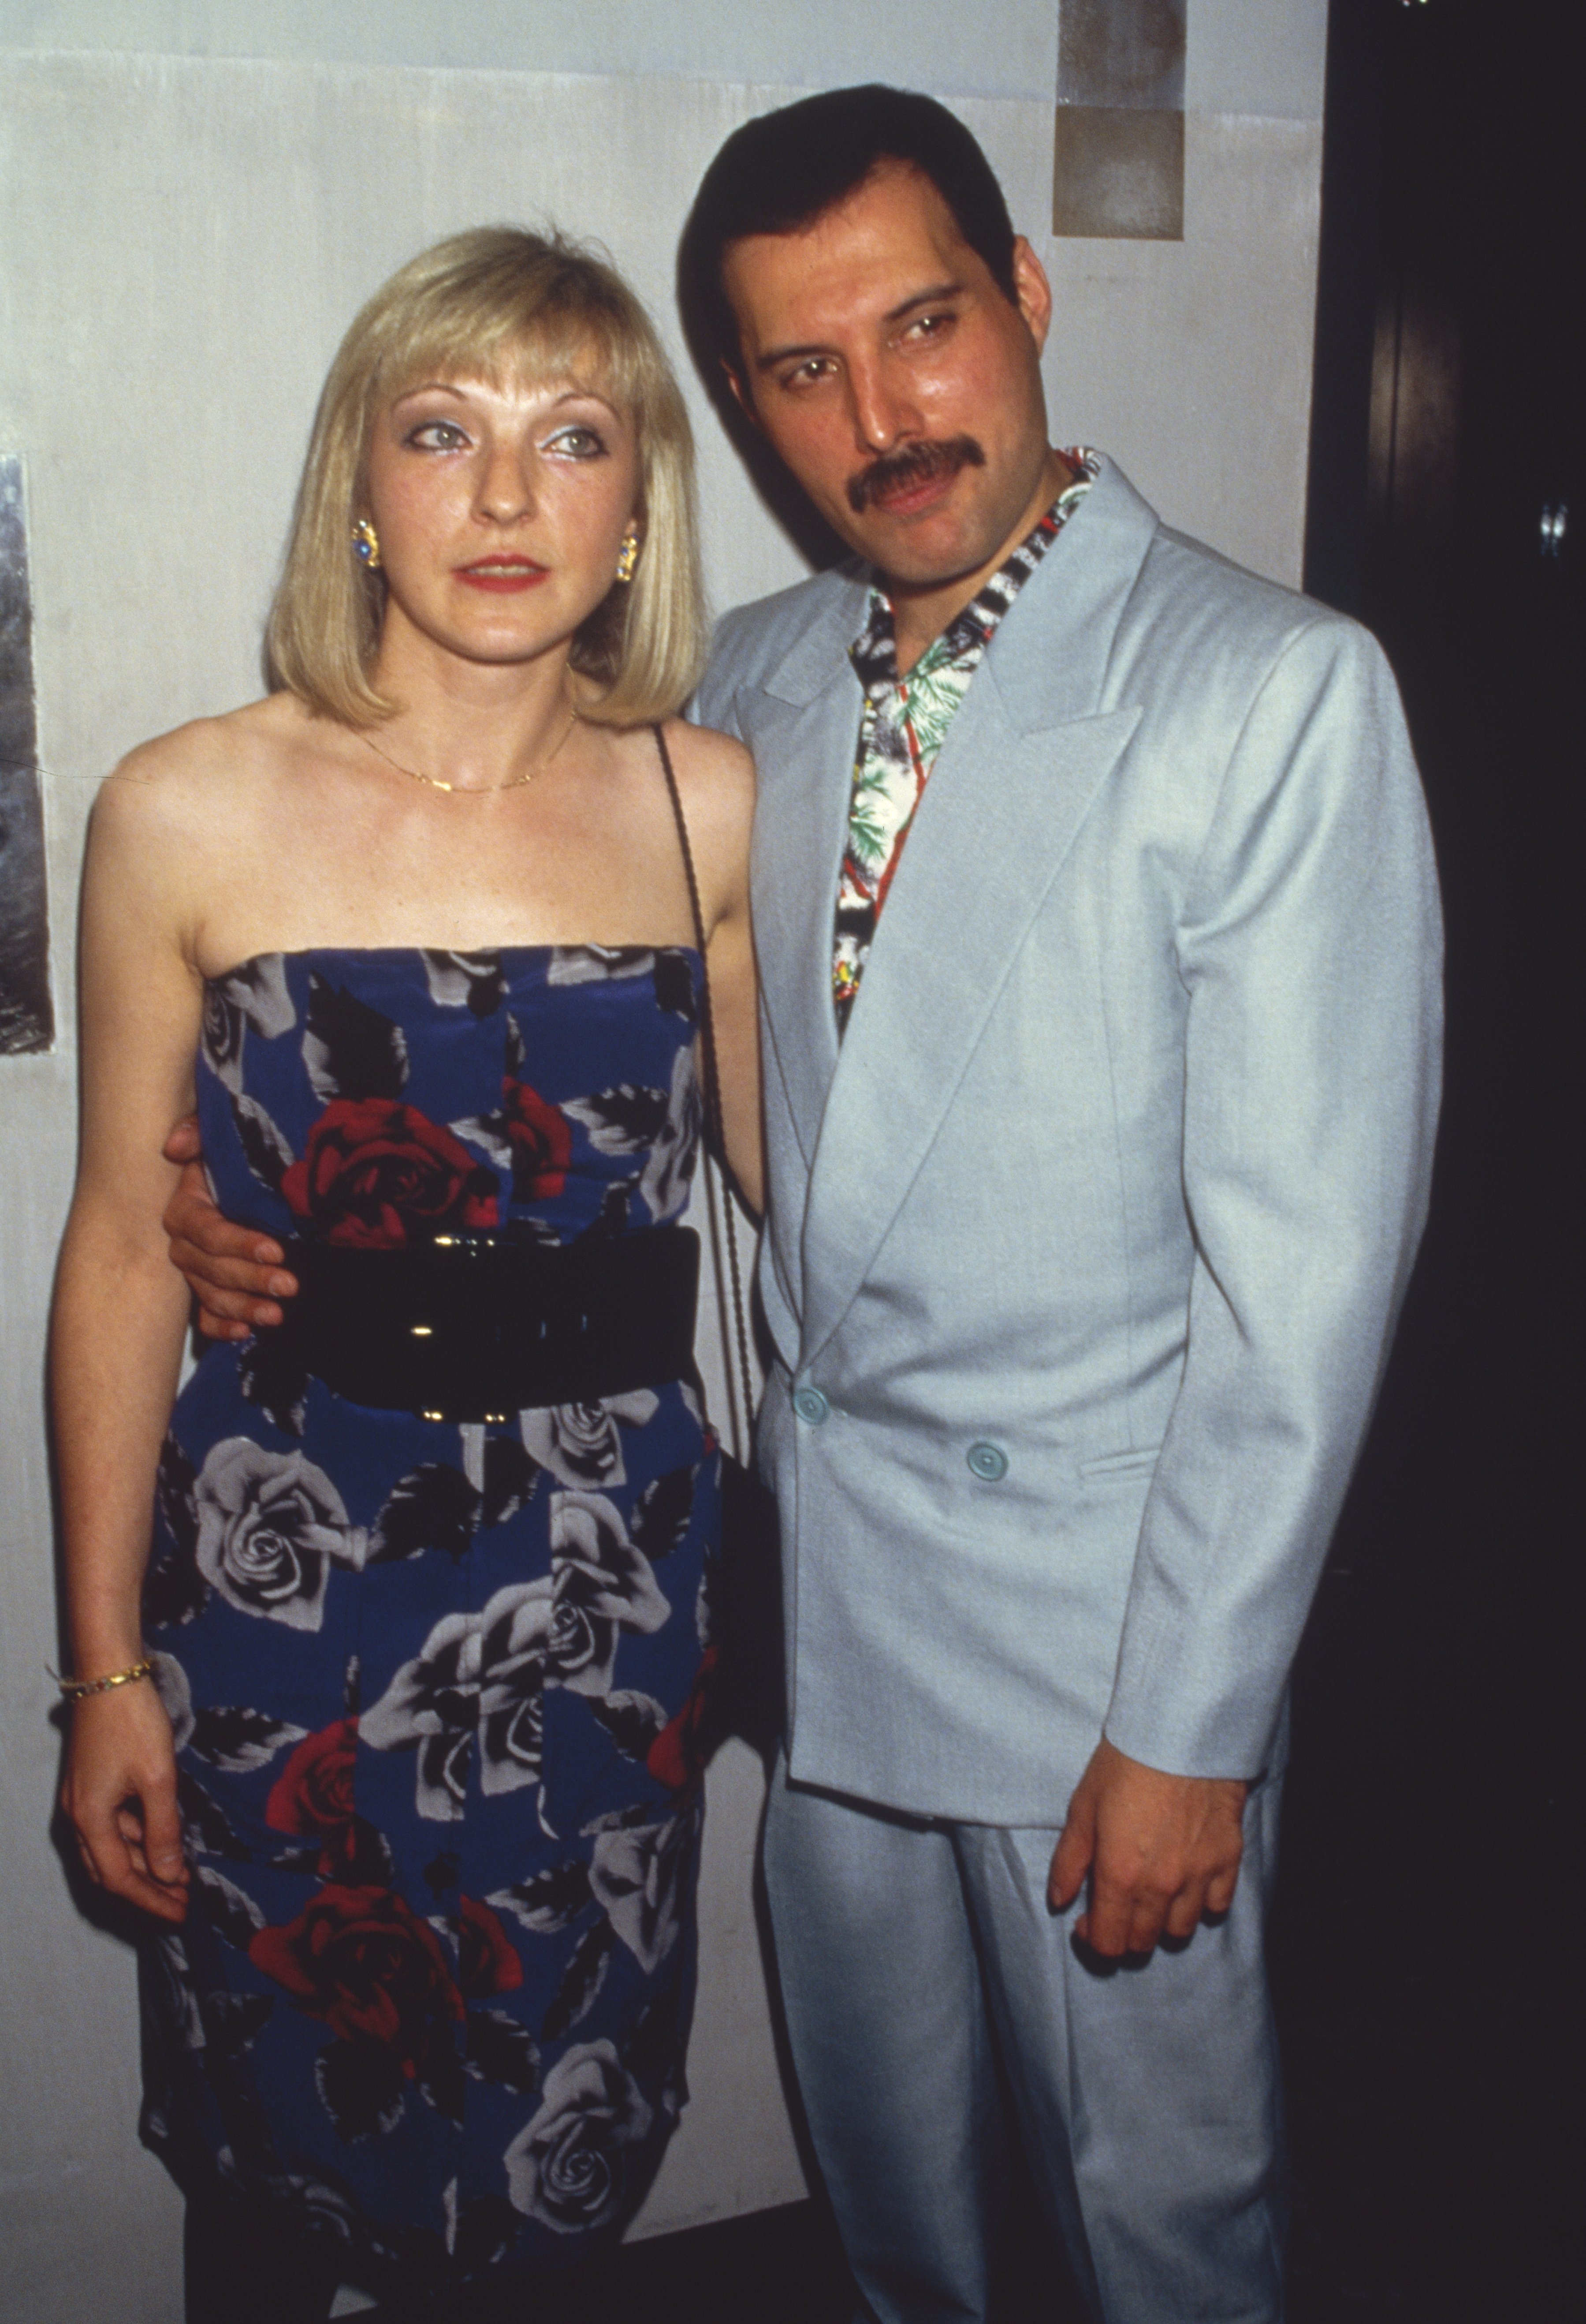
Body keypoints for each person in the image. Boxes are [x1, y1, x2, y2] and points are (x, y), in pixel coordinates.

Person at [165, 86, 1444, 2324]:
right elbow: (603, 1081)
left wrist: (1194, 1727)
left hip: (1097, 1653)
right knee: (890, 2203)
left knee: (1166, 2221)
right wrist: (246, 1200)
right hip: (809, 1606)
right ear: (744, 414)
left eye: (928, 323)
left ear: (1028, 300)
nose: (885, 411)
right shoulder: (741, 689)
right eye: (802, 368)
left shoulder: (1270, 694)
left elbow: (1308, 1295)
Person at [51, 225, 756, 2323]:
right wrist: (101, 1674)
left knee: (552, 2167)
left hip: (608, 1574)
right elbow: (115, 1243)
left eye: (575, 438)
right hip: (287, 1567)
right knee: (272, 2146)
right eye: (445, 433)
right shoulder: (181, 807)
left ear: (642, 509)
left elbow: (830, 1187)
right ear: (361, 483)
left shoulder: (711, 801)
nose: (511, 497)